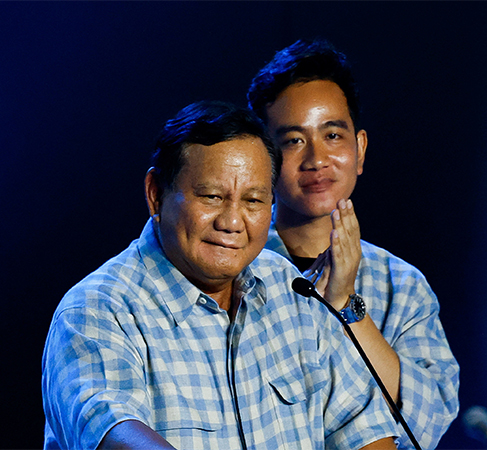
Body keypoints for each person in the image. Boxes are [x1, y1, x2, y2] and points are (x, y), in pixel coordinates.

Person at [41, 101, 400, 450]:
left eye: (254, 201)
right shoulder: (97, 310)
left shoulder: (288, 287)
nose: (232, 222)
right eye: (212, 196)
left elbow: (361, 425)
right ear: (155, 195)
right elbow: (114, 432)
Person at [247, 39, 460, 449]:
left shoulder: (402, 284)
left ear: (359, 149)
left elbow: (427, 423)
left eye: (332, 135)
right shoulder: (234, 270)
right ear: (263, 158)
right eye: (293, 140)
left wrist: (346, 304)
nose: (316, 159)